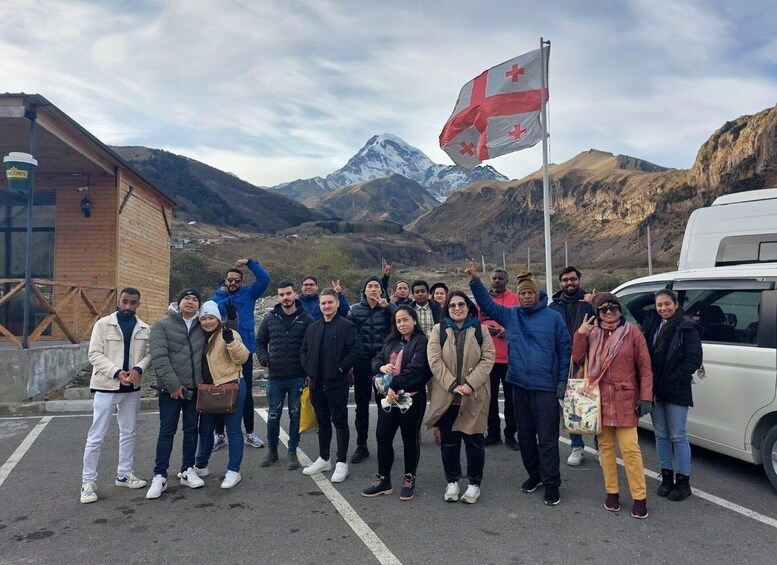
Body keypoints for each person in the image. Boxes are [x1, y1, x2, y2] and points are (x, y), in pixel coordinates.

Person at [467, 267, 570, 506]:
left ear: (536, 294)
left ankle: (552, 482)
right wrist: (475, 282)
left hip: (545, 388)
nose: (525, 297)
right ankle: (534, 475)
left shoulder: (553, 317)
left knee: (547, 438)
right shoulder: (512, 314)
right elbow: (489, 306)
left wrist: (562, 380)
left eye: (529, 293)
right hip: (519, 385)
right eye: (522, 293)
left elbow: (565, 350)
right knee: (524, 436)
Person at [572, 292, 654, 518]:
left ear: (620, 309)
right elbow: (577, 358)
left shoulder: (633, 333)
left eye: (613, 307)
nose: (608, 312)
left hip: (625, 398)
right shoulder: (592, 333)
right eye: (603, 309)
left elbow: (645, 368)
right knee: (606, 449)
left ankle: (639, 497)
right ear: (597, 313)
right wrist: (580, 335)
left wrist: (646, 396)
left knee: (630, 450)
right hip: (598, 399)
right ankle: (612, 493)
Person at [80, 288, 151, 504]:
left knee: (128, 432)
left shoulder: (144, 328)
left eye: (133, 303)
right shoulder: (103, 324)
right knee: (96, 435)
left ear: (138, 304)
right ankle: (88, 482)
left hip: (132, 388)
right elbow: (94, 353)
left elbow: (149, 354)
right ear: (119, 301)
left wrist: (138, 369)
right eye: (125, 301)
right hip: (106, 386)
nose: (128, 306)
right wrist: (115, 372)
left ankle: (124, 473)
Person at [426, 291, 495, 504]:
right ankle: (452, 481)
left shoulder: (481, 330)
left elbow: (488, 359)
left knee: (474, 441)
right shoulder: (439, 331)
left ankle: (474, 484)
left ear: (468, 307)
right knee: (449, 442)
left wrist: (469, 384)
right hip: (447, 396)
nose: (457, 308)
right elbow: (434, 361)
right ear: (446, 308)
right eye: (452, 305)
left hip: (474, 395)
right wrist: (453, 385)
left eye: (461, 304)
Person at [362, 306, 432, 501]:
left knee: (410, 439)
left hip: (411, 397)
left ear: (414, 321)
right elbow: (376, 358)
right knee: (383, 437)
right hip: (389, 399)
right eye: (398, 321)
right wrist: (381, 366)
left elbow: (417, 369)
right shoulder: (392, 341)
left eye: (405, 320)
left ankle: (409, 478)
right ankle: (383, 479)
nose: (401, 324)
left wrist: (394, 384)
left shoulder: (422, 342)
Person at [146, 289, 208, 499]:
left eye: (195, 299)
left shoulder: (203, 326)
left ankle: (187, 469)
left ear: (199, 305)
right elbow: (159, 357)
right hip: (170, 390)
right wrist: (173, 385)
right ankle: (159, 475)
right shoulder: (162, 325)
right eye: (186, 299)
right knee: (167, 431)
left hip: (194, 388)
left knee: (192, 429)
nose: (190, 302)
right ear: (178, 302)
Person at [641, 289, 702, 501]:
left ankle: (683, 481)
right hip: (655, 388)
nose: (663, 308)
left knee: (677, 434)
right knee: (660, 434)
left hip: (676, 388)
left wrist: (672, 378)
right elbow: (634, 306)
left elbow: (693, 359)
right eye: (659, 305)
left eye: (667, 304)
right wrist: (654, 294)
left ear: (676, 304)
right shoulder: (653, 324)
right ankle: (666, 476)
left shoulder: (687, 326)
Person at [301, 289, 364, 482]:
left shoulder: (347, 326)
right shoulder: (313, 327)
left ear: (337, 304)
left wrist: (340, 369)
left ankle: (341, 462)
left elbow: (356, 351)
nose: (326, 306)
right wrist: (309, 370)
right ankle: (324, 458)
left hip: (337, 383)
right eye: (323, 303)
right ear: (319, 306)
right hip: (316, 383)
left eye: (330, 302)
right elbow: (303, 350)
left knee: (340, 422)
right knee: (322, 421)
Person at [208, 259, 270, 450]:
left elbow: (264, 279)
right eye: (230, 280)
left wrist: (250, 263)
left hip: (244, 350)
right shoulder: (216, 298)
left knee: (247, 394)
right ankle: (219, 435)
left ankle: (250, 433)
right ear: (225, 281)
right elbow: (213, 311)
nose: (233, 283)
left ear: (241, 282)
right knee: (220, 393)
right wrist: (224, 295)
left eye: (237, 280)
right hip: (222, 352)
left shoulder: (249, 294)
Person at [256, 280, 314, 470]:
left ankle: (292, 451)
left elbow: (312, 347)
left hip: (298, 376)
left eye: (288, 294)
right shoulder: (270, 318)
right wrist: (265, 359)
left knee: (295, 415)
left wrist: (308, 371)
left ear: (295, 294)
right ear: (278, 297)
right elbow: (260, 341)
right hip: (276, 377)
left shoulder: (306, 319)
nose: (285, 298)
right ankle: (272, 451)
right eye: (281, 295)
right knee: (273, 415)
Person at [193, 301, 249, 489]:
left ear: (218, 318)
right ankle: (201, 465)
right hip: (210, 390)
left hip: (231, 386)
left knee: (233, 430)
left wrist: (231, 342)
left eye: (211, 318)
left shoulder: (229, 333)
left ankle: (234, 470)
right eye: (204, 318)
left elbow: (243, 358)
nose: (208, 322)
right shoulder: (201, 337)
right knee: (206, 429)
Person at [548, 266, 597, 465]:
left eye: (573, 279)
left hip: (589, 360)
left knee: (592, 404)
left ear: (579, 279)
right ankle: (577, 447)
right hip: (563, 363)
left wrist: (594, 302)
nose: (570, 283)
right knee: (570, 406)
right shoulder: (553, 307)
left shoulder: (589, 302)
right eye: (566, 280)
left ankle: (600, 446)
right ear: (560, 282)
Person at [347, 276, 397, 464]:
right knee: (361, 407)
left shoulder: (388, 310)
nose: (374, 289)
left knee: (385, 405)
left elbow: (401, 322)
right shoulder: (355, 310)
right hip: (361, 364)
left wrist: (388, 306)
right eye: (370, 286)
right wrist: (350, 363)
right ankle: (362, 446)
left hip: (382, 365)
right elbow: (349, 336)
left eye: (377, 286)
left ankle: (385, 443)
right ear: (364, 290)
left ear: (382, 291)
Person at [478, 268, 520, 450]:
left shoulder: (515, 300)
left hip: (511, 359)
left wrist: (507, 332)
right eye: (494, 278)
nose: (496, 281)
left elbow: (522, 324)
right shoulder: (483, 302)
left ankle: (511, 435)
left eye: (500, 278)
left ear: (506, 281)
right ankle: (493, 433)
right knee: (490, 399)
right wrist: (483, 329)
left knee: (511, 400)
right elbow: (474, 323)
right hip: (488, 359)